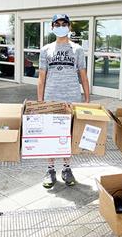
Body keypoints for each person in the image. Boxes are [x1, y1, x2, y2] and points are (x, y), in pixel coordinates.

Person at [38, 13, 90, 188]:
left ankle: (67, 169)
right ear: (52, 27)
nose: (61, 26)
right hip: (51, 100)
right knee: (50, 136)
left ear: (69, 27)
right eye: (57, 23)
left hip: (72, 100)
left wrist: (87, 100)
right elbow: (41, 78)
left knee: (67, 136)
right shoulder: (46, 50)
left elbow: (83, 76)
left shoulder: (77, 50)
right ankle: (50, 169)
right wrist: (40, 102)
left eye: (64, 23)